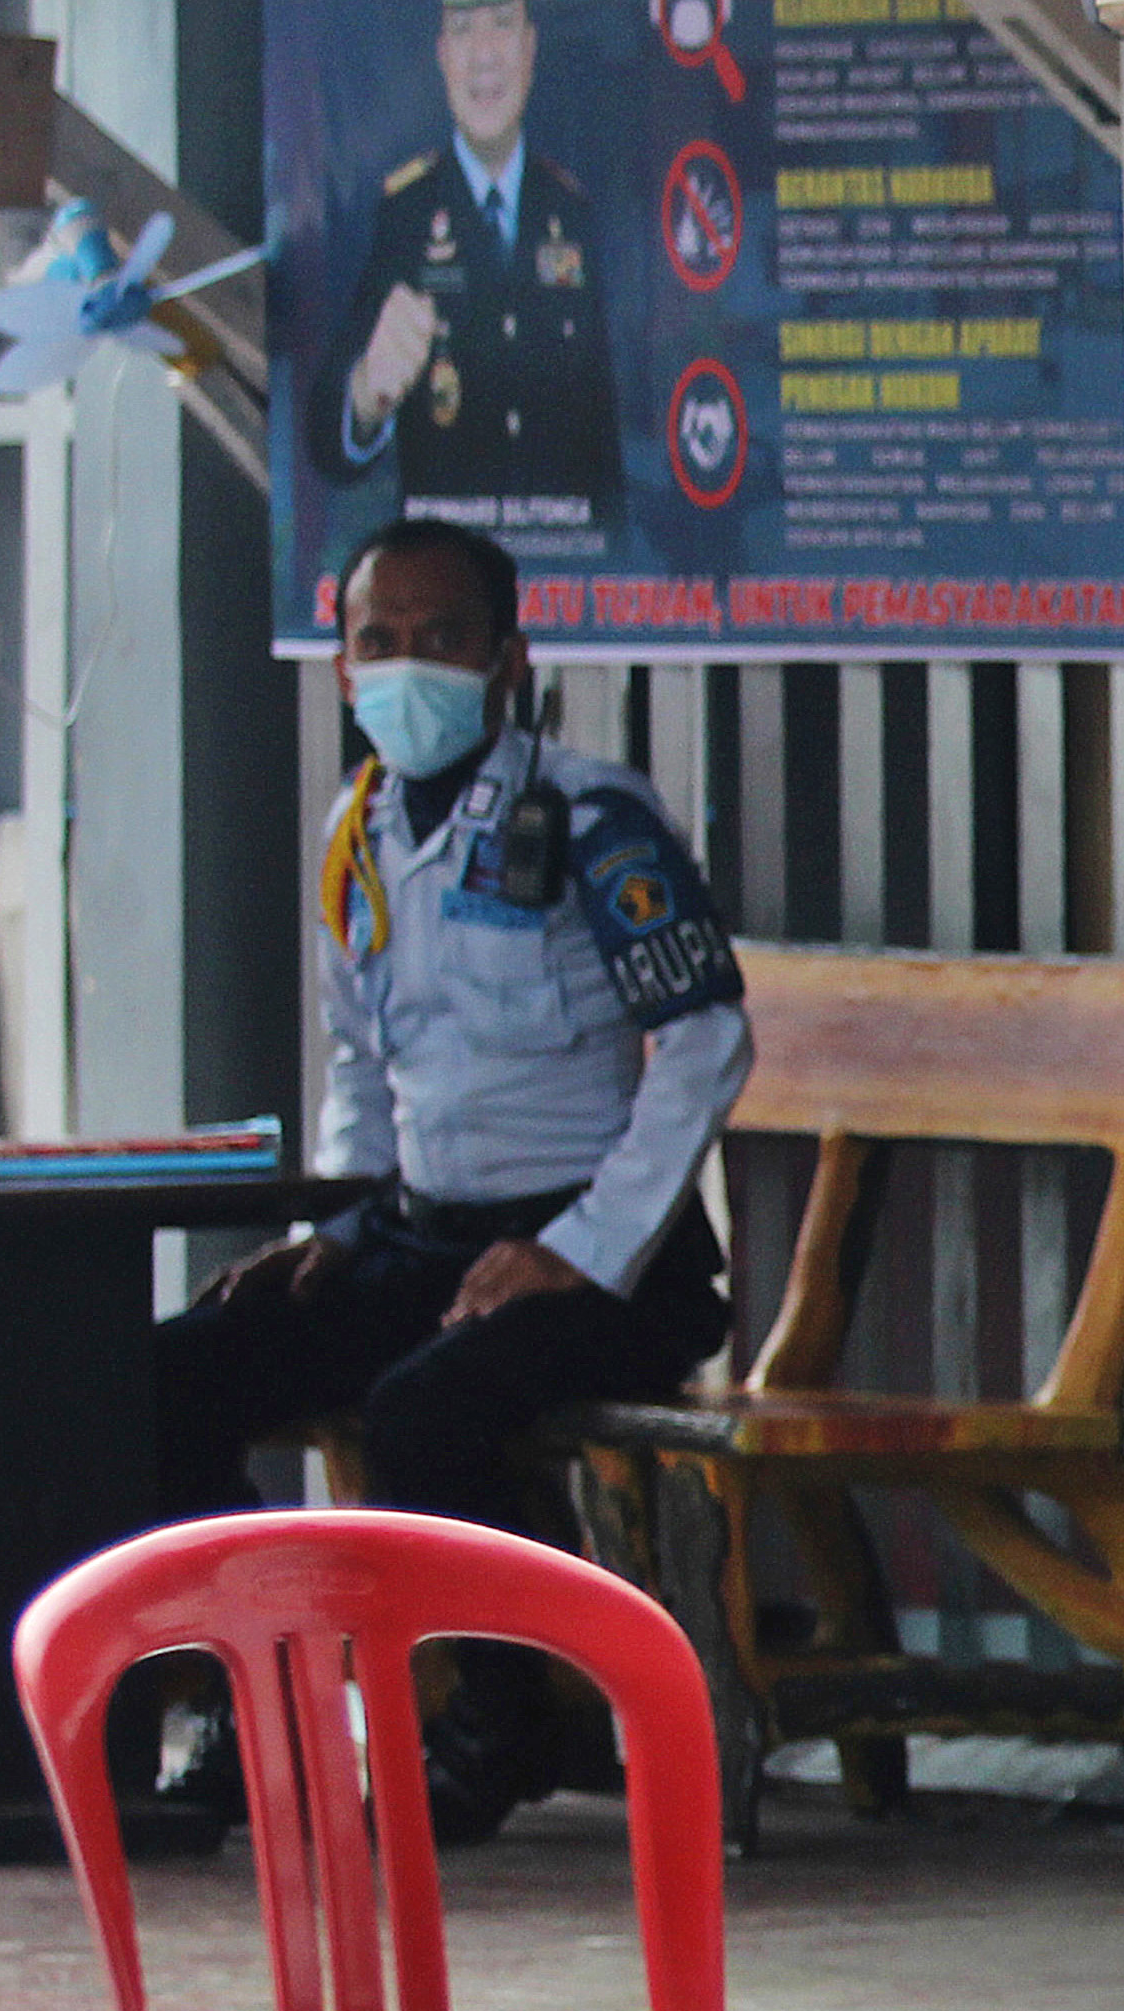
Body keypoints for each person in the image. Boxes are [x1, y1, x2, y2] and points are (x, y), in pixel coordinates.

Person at [151, 516, 747, 1841]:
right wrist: (340, 1225)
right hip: (423, 1239)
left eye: (442, 641)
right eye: (379, 642)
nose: (407, 668)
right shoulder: (357, 831)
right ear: (344, 668)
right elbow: (363, 1057)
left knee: (424, 1413)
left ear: (508, 662)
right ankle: (247, 1701)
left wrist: (584, 1245)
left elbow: (708, 1038)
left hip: (602, 1262)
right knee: (173, 1372)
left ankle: (495, 1727)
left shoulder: (589, 819)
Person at [306, 0, 622, 531]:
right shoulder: (401, 213)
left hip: (567, 560)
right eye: (462, 29)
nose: (484, 56)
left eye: (501, 24)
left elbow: (602, 428)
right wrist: (367, 393)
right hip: (445, 572)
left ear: (529, 47)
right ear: (443, 56)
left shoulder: (573, 208)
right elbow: (326, 443)